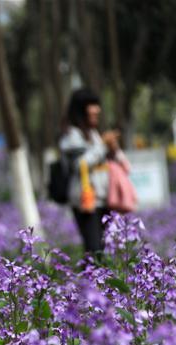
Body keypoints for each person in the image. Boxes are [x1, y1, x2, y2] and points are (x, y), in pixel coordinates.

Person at [59, 89, 125, 256]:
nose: (97, 110)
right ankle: (92, 274)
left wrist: (112, 148)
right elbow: (80, 164)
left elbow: (109, 161)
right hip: (86, 201)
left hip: (103, 199)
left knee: (104, 248)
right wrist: (103, 145)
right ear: (81, 110)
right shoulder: (72, 136)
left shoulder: (93, 134)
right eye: (92, 106)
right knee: (94, 249)